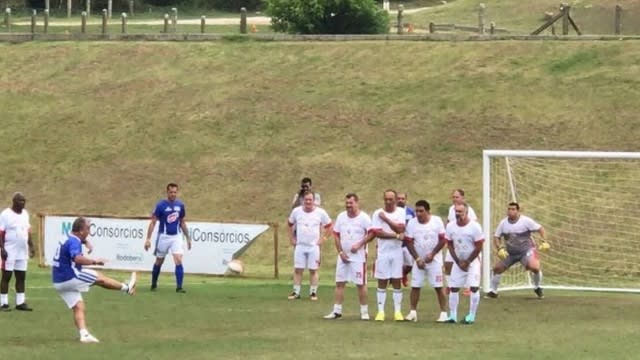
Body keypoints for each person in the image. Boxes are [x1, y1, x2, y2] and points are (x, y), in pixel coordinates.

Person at [52, 217, 136, 343]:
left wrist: (85, 242)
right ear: (80, 231)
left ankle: (84, 335)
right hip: (70, 276)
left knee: (78, 306)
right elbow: (77, 258)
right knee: (99, 278)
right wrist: (95, 261)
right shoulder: (74, 242)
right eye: (87, 229)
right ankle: (126, 288)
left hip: (58, 282)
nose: (89, 231)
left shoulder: (68, 237)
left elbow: (75, 243)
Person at [324, 193, 372, 320]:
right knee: (340, 283)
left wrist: (359, 244)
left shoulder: (364, 218)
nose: (348, 206)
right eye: (347, 203)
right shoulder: (341, 217)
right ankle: (337, 311)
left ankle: (364, 312)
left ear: (357, 203)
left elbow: (372, 234)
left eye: (351, 203)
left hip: (358, 256)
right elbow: (336, 235)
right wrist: (340, 252)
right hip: (343, 256)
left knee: (360, 284)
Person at [487, 202, 548, 299]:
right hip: (510, 253)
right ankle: (493, 292)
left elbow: (541, 229)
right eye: (509, 209)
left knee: (534, 267)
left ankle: (538, 287)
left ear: (518, 211)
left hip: (526, 251)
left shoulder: (526, 221)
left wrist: (544, 241)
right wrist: (500, 248)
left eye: (513, 209)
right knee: (497, 269)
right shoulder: (503, 223)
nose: (510, 211)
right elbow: (496, 237)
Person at [363, 189, 406, 321]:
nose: (388, 202)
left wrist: (386, 219)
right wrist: (396, 236)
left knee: (397, 281)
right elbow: (378, 233)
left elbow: (400, 228)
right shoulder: (377, 213)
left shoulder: (400, 212)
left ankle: (397, 312)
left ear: (395, 200)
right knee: (382, 281)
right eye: (386, 199)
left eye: (390, 199)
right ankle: (381, 312)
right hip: (383, 252)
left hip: (397, 252)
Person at [403, 200, 448, 323]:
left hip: (435, 261)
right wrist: (417, 258)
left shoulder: (437, 221)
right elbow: (408, 241)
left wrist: (433, 254)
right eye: (416, 211)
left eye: (421, 211)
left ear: (428, 211)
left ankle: (443, 313)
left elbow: (443, 240)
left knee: (438, 286)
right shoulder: (412, 223)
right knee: (415, 286)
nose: (418, 213)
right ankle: (413, 312)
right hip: (419, 261)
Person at [144, 183, 191, 293]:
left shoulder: (180, 205)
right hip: (163, 237)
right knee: (159, 261)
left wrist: (188, 238)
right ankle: (154, 284)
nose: (173, 194)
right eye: (171, 192)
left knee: (178, 259)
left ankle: (179, 287)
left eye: (175, 192)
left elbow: (182, 222)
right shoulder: (160, 205)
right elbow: (153, 222)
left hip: (176, 237)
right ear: (167, 192)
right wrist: (148, 239)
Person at [287, 191, 332, 300]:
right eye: (306, 200)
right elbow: (289, 224)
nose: (308, 202)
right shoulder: (296, 211)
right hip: (300, 246)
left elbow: (330, 225)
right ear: (303, 200)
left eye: (310, 200)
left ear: (313, 200)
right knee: (298, 269)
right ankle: (296, 292)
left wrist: (323, 238)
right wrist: (292, 238)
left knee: (313, 270)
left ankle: (313, 292)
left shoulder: (320, 212)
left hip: (313, 246)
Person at [445, 203, 484, 324]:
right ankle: (453, 316)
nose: (458, 214)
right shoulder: (450, 226)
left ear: (466, 213)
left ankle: (471, 316)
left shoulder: (475, 227)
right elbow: (450, 244)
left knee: (474, 287)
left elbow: (479, 247)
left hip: (473, 261)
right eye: (456, 211)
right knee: (454, 288)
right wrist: (457, 261)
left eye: (460, 212)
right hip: (459, 261)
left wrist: (468, 261)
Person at [0, 192, 34, 311]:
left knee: (21, 276)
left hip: (22, 250)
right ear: (14, 201)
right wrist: (2, 249)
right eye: (20, 201)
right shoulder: (5, 214)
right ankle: (3, 303)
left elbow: (28, 231)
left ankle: (20, 302)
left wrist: (31, 246)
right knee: (6, 276)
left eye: (24, 201)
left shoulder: (25, 214)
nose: (23, 203)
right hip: (10, 250)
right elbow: (1, 233)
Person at [444, 189, 478, 295]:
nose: (455, 199)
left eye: (457, 197)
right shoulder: (451, 209)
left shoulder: (469, 210)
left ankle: (468, 286)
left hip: (465, 242)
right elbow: (449, 222)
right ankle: (450, 285)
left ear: (463, 198)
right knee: (448, 264)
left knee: (469, 263)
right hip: (454, 241)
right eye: (453, 197)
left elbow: (473, 225)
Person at [397, 192, 415, 287]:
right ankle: (397, 280)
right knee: (396, 263)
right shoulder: (393, 212)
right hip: (395, 242)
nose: (400, 200)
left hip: (407, 242)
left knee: (409, 265)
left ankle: (403, 275)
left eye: (402, 199)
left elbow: (416, 224)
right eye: (398, 198)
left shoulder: (410, 212)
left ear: (406, 200)